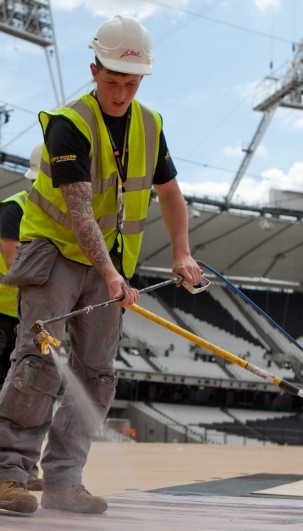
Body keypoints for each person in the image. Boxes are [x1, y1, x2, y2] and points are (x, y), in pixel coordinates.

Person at [0, 15, 202, 515]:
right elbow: (79, 210)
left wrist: (182, 251)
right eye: (112, 81)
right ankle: (8, 472)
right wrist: (112, 274)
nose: (120, 93)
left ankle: (65, 479)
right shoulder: (70, 124)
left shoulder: (151, 125)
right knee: (38, 363)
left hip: (110, 266)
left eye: (130, 84)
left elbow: (171, 194)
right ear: (94, 71)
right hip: (56, 257)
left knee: (96, 375)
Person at [0, 143, 43, 491]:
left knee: (24, 389)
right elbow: (17, 266)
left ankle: (19, 466)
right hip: (3, 311)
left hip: (25, 314)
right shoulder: (15, 208)